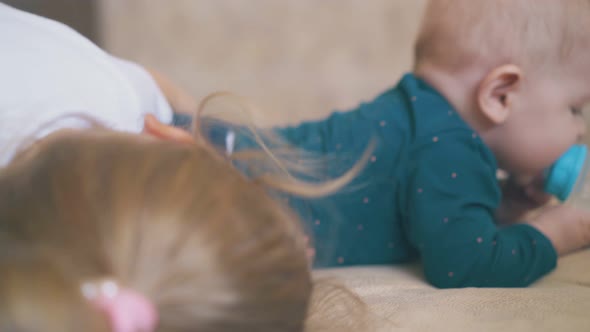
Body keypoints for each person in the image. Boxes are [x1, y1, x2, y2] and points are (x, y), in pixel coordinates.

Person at [224, 0, 590, 289]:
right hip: (222, 190)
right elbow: (466, 265)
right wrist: (555, 233)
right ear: (500, 95)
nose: (581, 132)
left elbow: (436, 214)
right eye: (575, 109)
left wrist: (504, 203)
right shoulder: (451, 147)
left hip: (226, 155)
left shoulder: (424, 117)